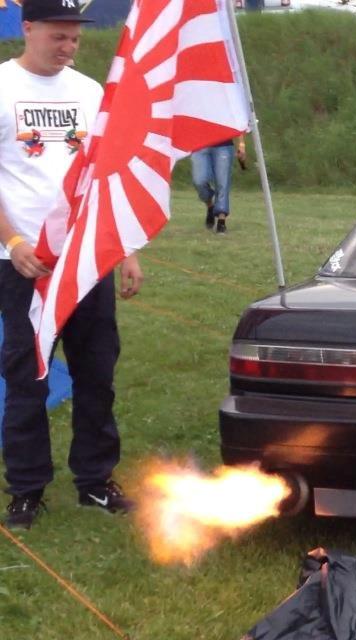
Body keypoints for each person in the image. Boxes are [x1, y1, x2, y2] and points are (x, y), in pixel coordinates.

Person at [0, 0, 143, 529]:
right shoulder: (2, 88)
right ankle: (27, 489)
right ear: (29, 28)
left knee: (96, 372)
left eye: (75, 39)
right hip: (22, 264)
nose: (68, 47)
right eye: (58, 37)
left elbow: (107, 176)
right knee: (26, 375)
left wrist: (124, 248)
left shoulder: (89, 93)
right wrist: (14, 241)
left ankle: (95, 481)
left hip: (87, 260)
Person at [191, 135, 246, 234]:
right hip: (200, 143)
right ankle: (210, 206)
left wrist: (241, 144)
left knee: (222, 183)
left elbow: (238, 120)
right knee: (199, 180)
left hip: (223, 144)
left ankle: (221, 220)